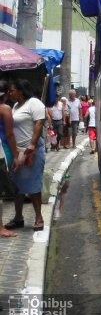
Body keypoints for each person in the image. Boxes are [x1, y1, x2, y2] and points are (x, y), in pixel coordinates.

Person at [5, 79, 46, 232]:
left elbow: (39, 124)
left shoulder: (34, 103)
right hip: (19, 151)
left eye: (12, 90)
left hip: (32, 151)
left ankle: (38, 218)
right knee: (18, 186)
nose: (10, 93)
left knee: (33, 185)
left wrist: (32, 145)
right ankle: (18, 217)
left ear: (21, 90)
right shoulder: (16, 106)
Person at [0, 80, 18, 237]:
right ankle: (0, 228)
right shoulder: (5, 108)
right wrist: (16, 154)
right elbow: (10, 134)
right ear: (5, 94)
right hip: (2, 150)